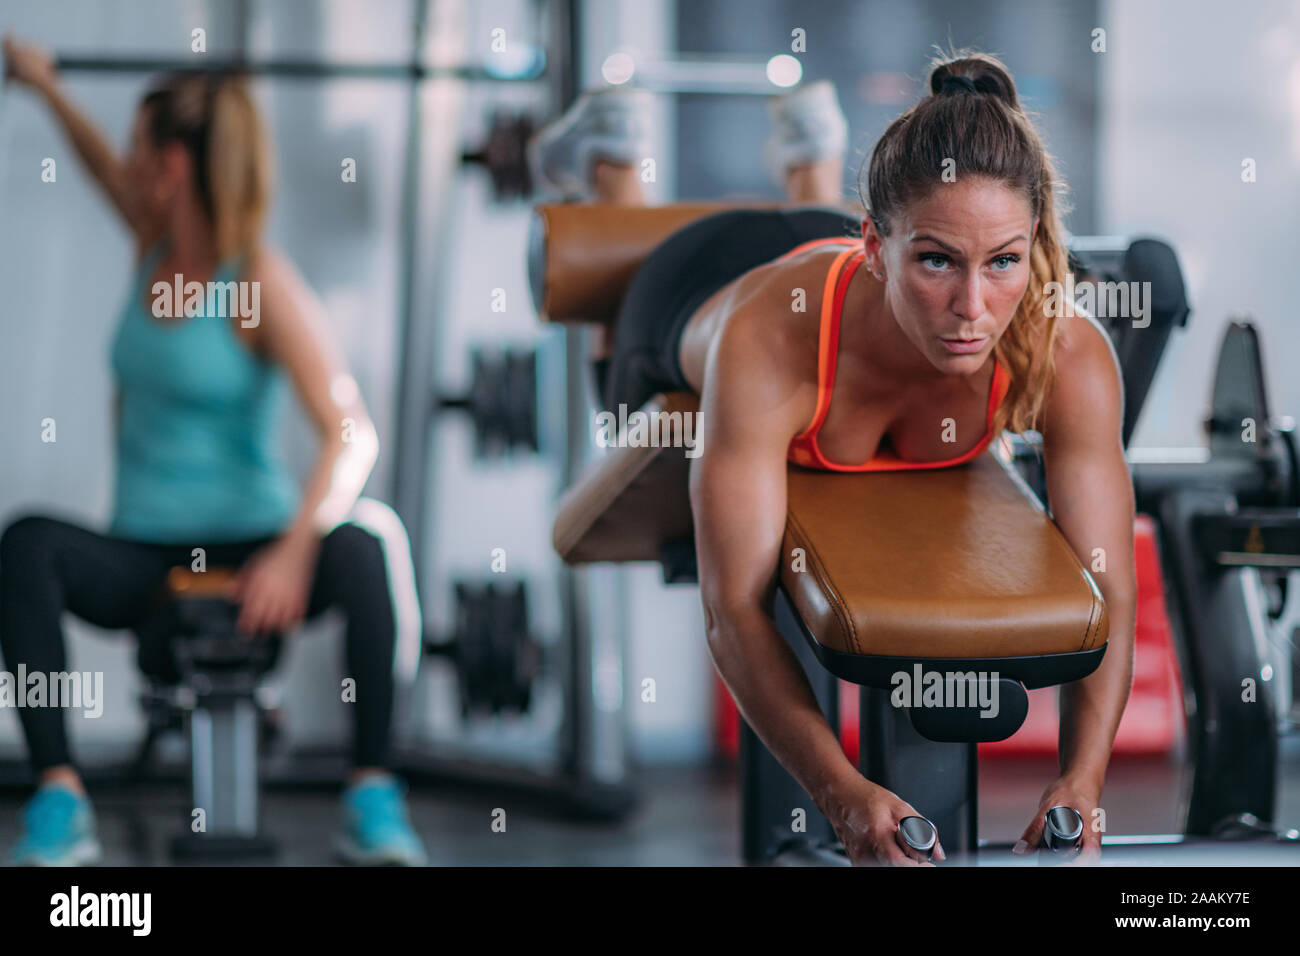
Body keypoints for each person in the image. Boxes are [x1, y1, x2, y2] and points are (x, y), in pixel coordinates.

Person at [532, 53, 1136, 866]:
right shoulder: (766, 347)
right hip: (697, 281)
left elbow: (1111, 589)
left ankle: (811, 154)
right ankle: (610, 161)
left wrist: (1083, 783)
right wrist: (842, 796)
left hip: (832, 256)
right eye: (936, 262)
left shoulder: (1067, 348)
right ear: (879, 248)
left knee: (856, 242)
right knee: (616, 372)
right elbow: (733, 608)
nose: (972, 307)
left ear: (1033, 245)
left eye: (1002, 261)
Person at [0, 34, 427, 866]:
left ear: (171, 166)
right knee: (26, 546)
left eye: (135, 149)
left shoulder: (257, 281)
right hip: (142, 552)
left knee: (367, 546)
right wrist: (46, 89)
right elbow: (93, 168)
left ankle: (372, 793)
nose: (122, 165)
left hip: (253, 543)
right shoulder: (149, 249)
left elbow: (352, 430)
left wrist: (296, 549)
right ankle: (60, 797)